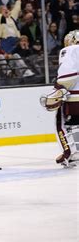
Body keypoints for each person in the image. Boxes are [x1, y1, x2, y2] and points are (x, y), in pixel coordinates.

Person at [40, 30, 79, 167]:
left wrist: (58, 88)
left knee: (61, 123)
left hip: (74, 96)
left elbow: (67, 76)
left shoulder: (71, 50)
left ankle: (70, 154)